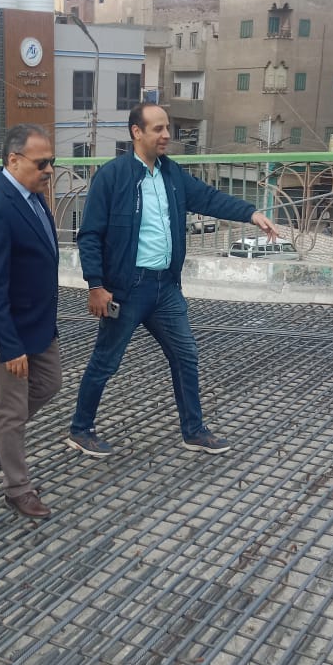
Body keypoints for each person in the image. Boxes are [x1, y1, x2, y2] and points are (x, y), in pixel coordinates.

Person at [67, 102, 280, 458]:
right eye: (158, 129)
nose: (166, 135)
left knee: (186, 355)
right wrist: (96, 285)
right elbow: (89, 234)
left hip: (165, 288)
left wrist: (251, 213)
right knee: (106, 361)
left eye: (168, 128)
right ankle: (80, 429)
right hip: (126, 289)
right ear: (137, 132)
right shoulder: (112, 176)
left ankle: (193, 431)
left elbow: (209, 198)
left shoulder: (172, 174)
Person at [0, 124, 61, 518]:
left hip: (39, 322)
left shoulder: (33, 197)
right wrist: (9, 345)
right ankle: (17, 488)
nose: (49, 170)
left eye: (52, 162)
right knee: (13, 410)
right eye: (42, 163)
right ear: (14, 160)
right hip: (9, 328)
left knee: (50, 384)